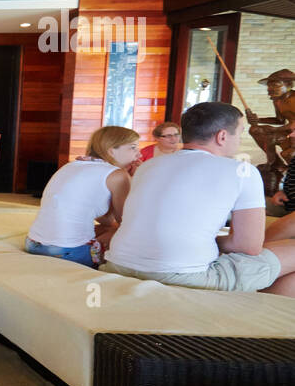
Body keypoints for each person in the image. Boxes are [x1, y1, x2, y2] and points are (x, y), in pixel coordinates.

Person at [102, 101, 295, 295]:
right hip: (185, 277)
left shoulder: (148, 166)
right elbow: (248, 247)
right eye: (240, 133)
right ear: (222, 136)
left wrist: (194, 238)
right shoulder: (242, 171)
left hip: (117, 265)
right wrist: (204, 240)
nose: (240, 140)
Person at [26, 126, 139, 267]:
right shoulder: (117, 175)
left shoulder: (71, 165)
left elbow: (105, 220)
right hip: (68, 252)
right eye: (133, 147)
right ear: (111, 150)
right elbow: (127, 222)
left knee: (107, 229)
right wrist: (133, 179)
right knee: (135, 234)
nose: (138, 154)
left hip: (33, 243)